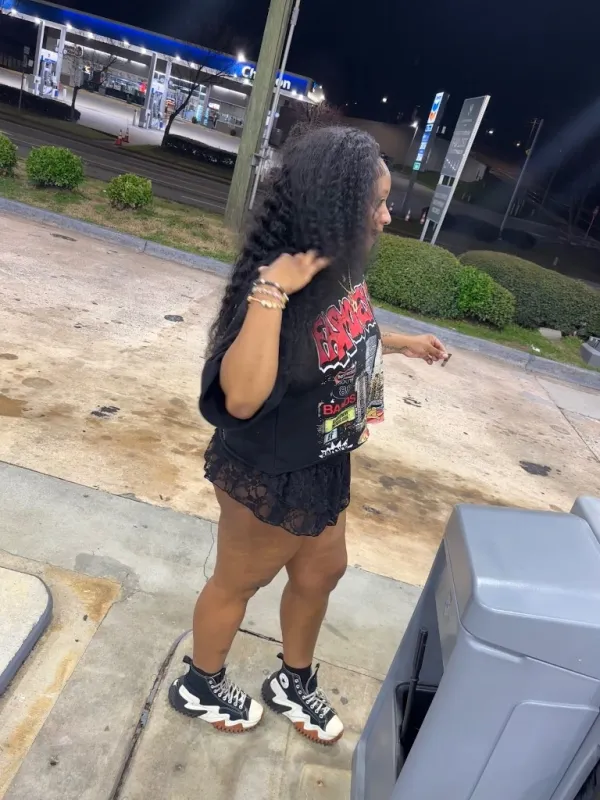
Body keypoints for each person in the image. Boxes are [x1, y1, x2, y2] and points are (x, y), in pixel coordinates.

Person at [169, 126, 447, 744]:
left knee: (323, 572)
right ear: (335, 207)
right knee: (239, 581)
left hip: (323, 455)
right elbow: (241, 397)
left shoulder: (338, 266)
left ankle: (292, 680)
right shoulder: (279, 280)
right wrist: (271, 292)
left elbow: (340, 332)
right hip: (268, 469)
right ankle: (201, 683)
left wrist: (402, 342)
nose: (387, 217)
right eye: (376, 203)